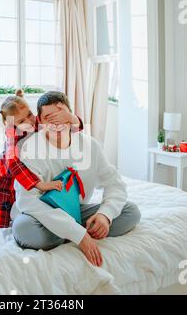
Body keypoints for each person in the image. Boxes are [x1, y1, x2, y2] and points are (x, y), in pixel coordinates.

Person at [11, 91, 141, 267]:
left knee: (130, 212)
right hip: (41, 213)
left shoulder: (90, 145)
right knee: (24, 229)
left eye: (61, 115)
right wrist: (79, 235)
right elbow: (27, 202)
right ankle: (76, 231)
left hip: (76, 211)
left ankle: (72, 230)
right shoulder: (31, 149)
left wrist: (104, 216)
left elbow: (114, 183)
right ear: (40, 122)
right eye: (49, 117)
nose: (56, 122)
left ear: (71, 117)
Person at [0, 90, 82, 228]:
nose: (29, 122)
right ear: (12, 124)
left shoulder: (36, 120)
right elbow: (13, 163)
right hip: (5, 184)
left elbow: (72, 128)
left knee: (17, 205)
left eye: (29, 114)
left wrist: (72, 118)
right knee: (0, 223)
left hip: (21, 184)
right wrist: (39, 184)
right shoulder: (13, 137)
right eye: (22, 121)